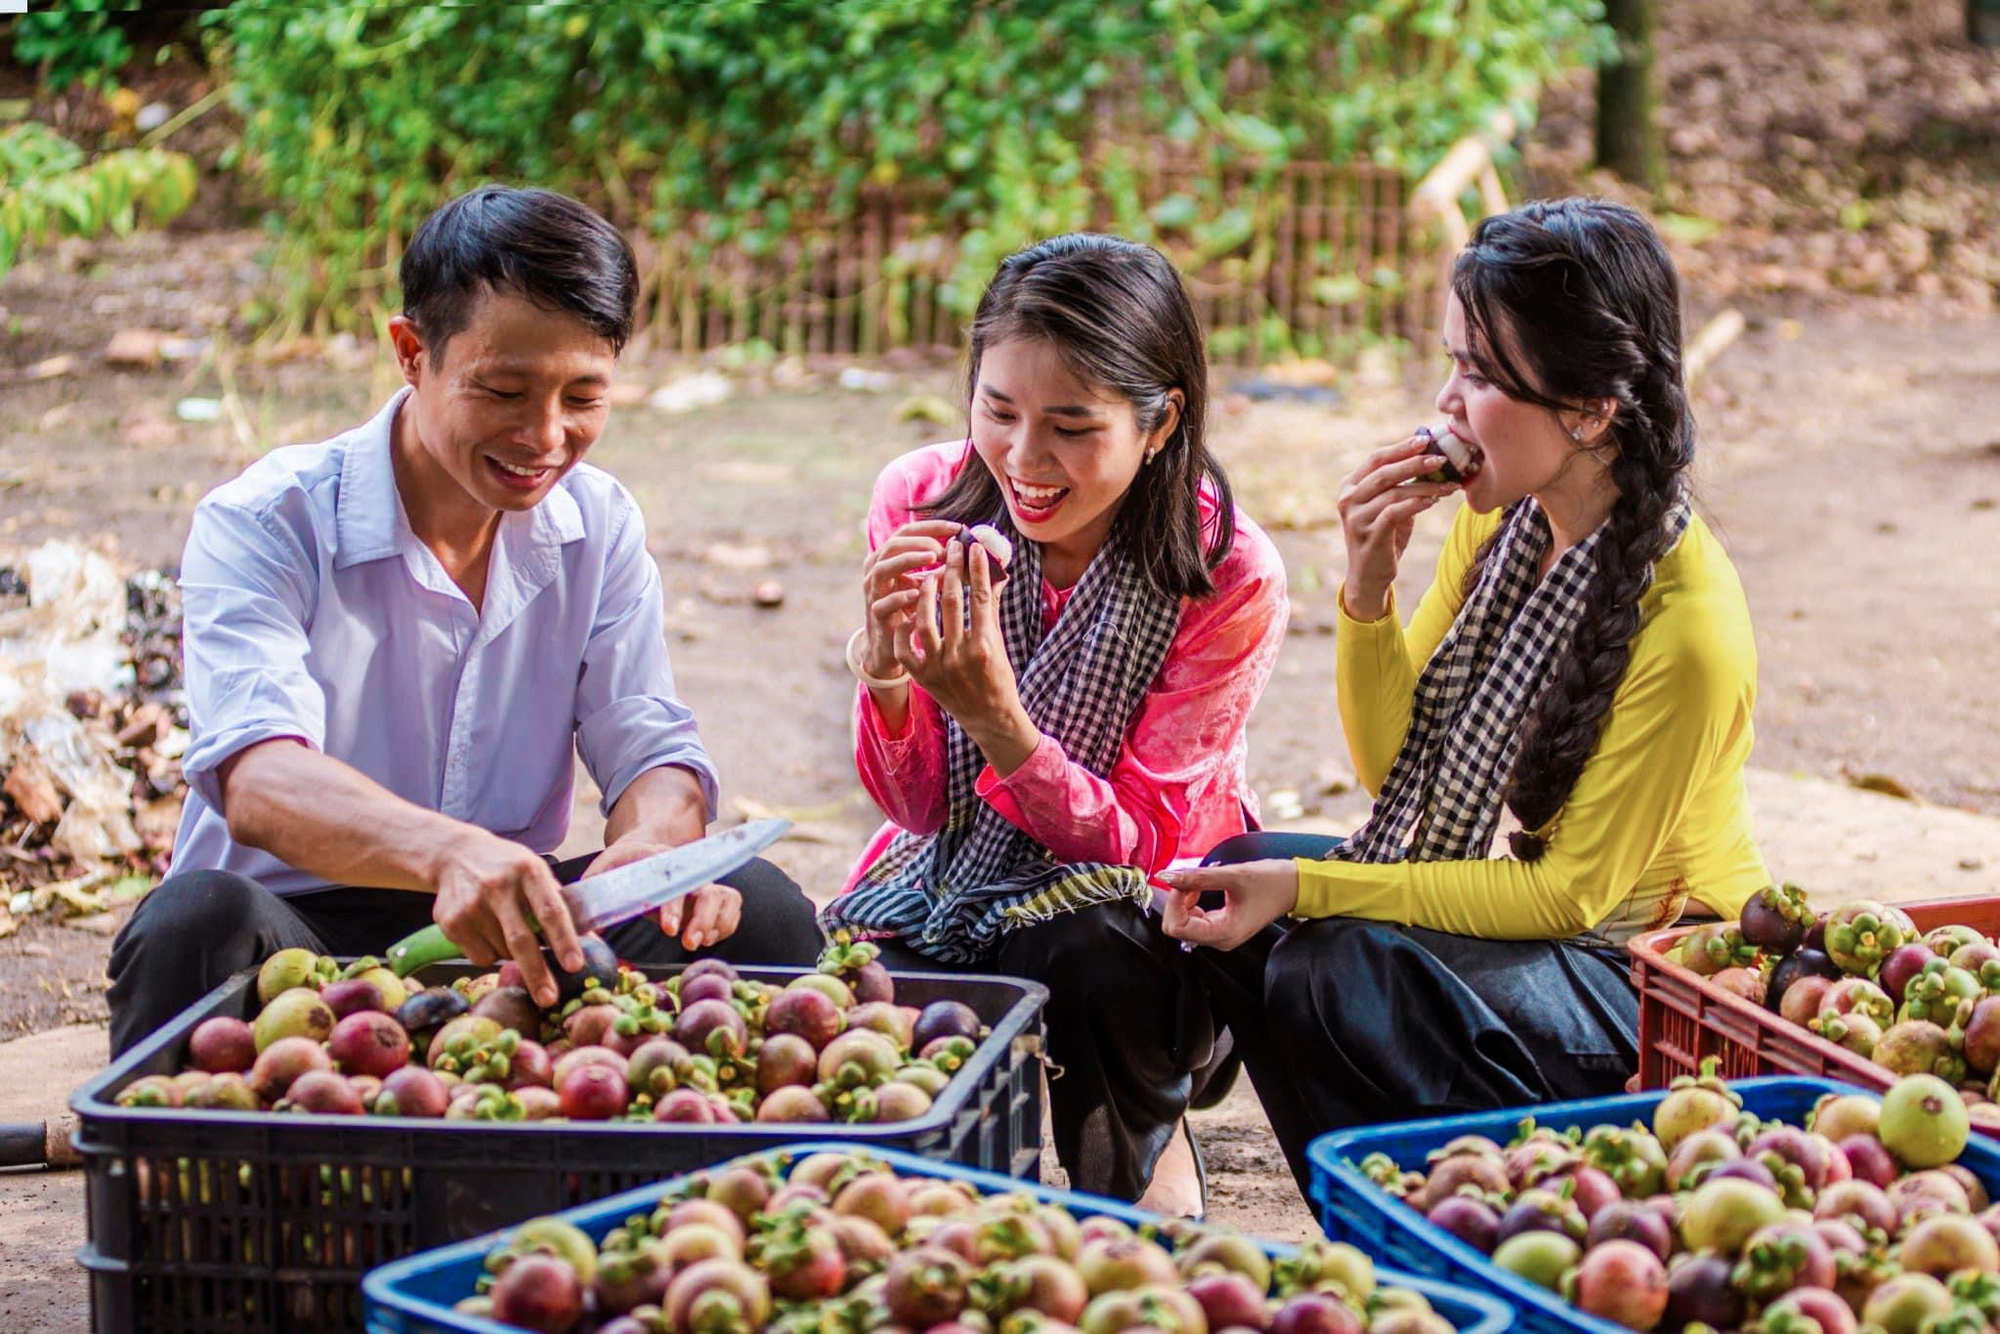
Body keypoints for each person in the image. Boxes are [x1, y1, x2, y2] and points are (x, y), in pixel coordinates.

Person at [107, 186, 822, 1058]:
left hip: (508, 936)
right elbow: (259, 782)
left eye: (583, 396)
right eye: (505, 389)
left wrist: (651, 845)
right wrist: (448, 855)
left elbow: (648, 745)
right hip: (294, 935)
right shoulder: (267, 519)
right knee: (194, 919)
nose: (545, 435)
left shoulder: (598, 524)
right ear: (412, 353)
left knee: (764, 909)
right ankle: (180, 1185)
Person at [1159, 197, 1769, 1191]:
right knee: (1233, 876)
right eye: (1449, 360)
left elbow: (1562, 894)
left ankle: (1486, 1218)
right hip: (1543, 935)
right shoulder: (1500, 526)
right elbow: (1393, 771)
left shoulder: (1688, 625)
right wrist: (1365, 584)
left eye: (1480, 375)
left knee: (1335, 963)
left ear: (1586, 409)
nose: (1444, 401)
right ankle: (1380, 1221)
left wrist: (1312, 888)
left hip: (1646, 983)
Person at [822, 233, 1288, 1213]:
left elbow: (1141, 841)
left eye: (1072, 426)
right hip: (943, 883)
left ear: (1160, 423)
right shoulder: (918, 501)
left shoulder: (1224, 572)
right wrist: (884, 670)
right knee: (861, 1000)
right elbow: (913, 808)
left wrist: (998, 720)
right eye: (998, 411)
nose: (1024, 459)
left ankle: (1141, 1135)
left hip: (1141, 918)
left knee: (1080, 942)